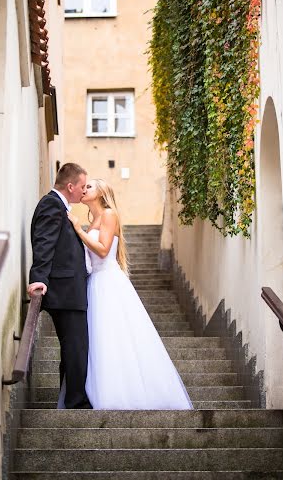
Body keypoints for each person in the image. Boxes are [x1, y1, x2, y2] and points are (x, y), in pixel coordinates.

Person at [61, 178, 192, 410]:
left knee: (114, 336)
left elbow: (102, 251)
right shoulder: (94, 220)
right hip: (94, 283)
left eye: (89, 186)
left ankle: (124, 393)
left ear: (101, 192)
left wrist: (78, 229)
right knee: (98, 339)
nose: (84, 189)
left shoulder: (109, 214)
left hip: (109, 283)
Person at [28, 163, 92, 409]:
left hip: (68, 289)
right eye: (82, 186)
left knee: (74, 345)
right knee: (76, 345)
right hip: (63, 290)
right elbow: (44, 242)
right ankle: (76, 402)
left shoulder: (59, 206)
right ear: (70, 186)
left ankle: (71, 398)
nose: (83, 191)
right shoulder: (51, 205)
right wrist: (39, 278)